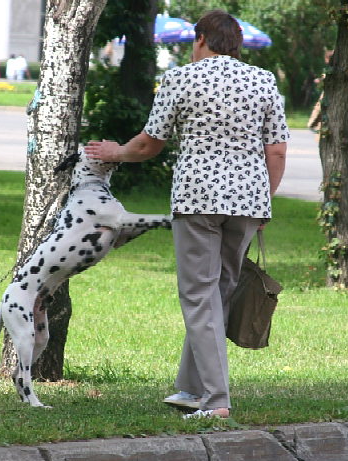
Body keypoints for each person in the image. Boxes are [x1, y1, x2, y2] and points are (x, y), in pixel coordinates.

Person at [85, 10, 288, 419]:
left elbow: (148, 145)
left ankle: (216, 402)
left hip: (197, 200)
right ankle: (191, 388)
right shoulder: (264, 82)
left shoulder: (180, 79)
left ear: (200, 40)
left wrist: (114, 153)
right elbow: (277, 151)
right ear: (238, 44)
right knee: (218, 294)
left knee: (199, 296)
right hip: (248, 202)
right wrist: (264, 200)